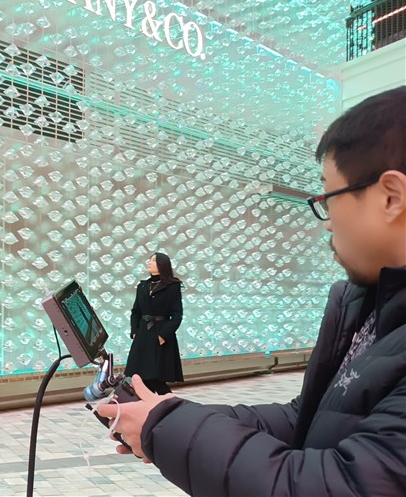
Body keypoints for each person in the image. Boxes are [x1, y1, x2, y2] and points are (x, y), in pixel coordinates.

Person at [99, 86, 406, 495]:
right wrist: (167, 416)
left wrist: (165, 426)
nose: (327, 222)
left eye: (327, 198)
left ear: (391, 197)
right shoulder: (365, 304)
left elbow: (343, 485)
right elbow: (308, 420)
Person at [124, 252, 184, 395]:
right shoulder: (143, 286)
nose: (149, 262)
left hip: (160, 335)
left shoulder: (172, 286)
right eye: (150, 260)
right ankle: (159, 408)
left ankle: (169, 407)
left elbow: (177, 315)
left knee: (154, 377)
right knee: (142, 376)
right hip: (143, 335)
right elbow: (135, 311)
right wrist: (134, 331)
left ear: (162, 265)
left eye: (153, 260)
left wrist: (163, 335)